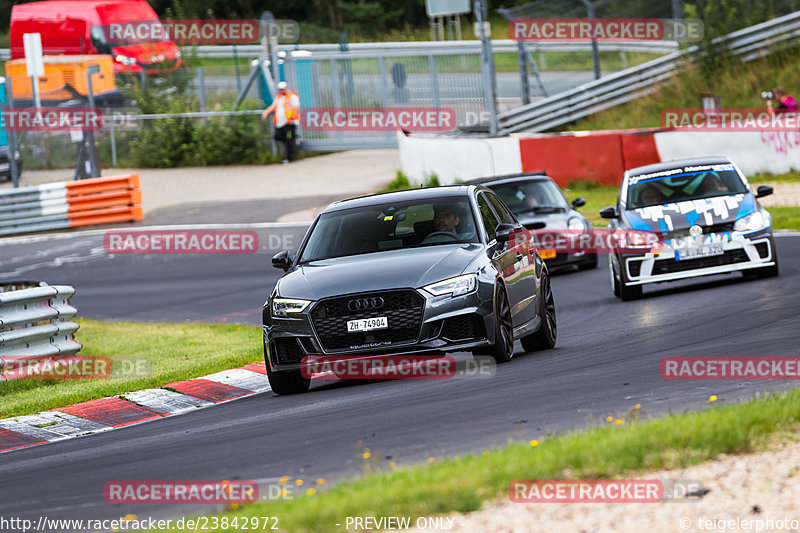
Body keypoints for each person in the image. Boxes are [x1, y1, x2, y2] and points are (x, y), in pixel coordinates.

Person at [261, 81, 301, 164]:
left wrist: (292, 118)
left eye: (282, 89)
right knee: (277, 136)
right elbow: (273, 106)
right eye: (280, 89)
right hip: (280, 124)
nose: (281, 91)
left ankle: (289, 158)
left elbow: (297, 107)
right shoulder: (278, 97)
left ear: (286, 88)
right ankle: (295, 138)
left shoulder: (292, 96)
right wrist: (266, 112)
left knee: (288, 139)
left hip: (290, 123)